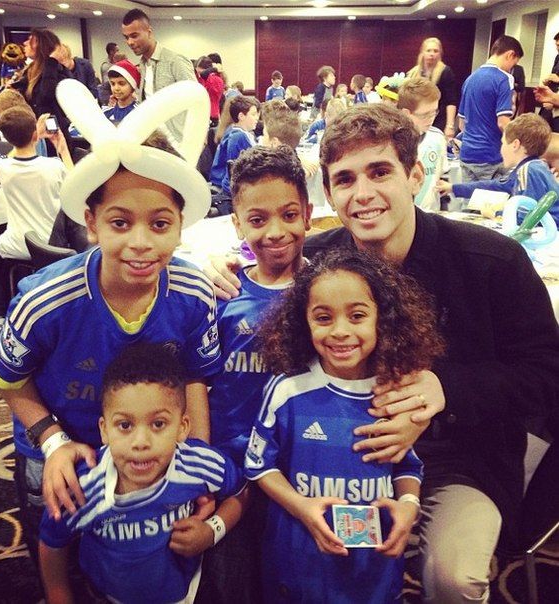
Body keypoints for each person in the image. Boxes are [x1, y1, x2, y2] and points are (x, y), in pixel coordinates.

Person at [205, 103, 559, 602]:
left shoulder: (491, 262)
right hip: (337, 452)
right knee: (307, 561)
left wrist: (445, 390)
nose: (363, 193)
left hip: (457, 459)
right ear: (329, 194)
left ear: (415, 175)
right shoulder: (319, 263)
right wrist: (224, 273)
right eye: (345, 179)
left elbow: (547, 376)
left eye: (379, 172)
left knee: (454, 578)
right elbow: (262, 268)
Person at [0, 84, 220, 567]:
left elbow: (195, 375)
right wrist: (52, 440)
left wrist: (197, 455)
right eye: (120, 223)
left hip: (145, 447)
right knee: (57, 551)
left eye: (160, 224)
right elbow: (8, 377)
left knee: (140, 559)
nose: (141, 243)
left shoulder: (194, 293)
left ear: (182, 224)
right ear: (92, 223)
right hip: (59, 444)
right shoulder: (45, 300)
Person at [246, 246, 444, 602]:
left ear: (382, 319)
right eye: (323, 318)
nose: (340, 331)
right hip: (300, 558)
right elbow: (259, 465)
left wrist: (408, 505)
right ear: (303, 322)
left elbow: (406, 465)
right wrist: (301, 507)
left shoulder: (393, 393)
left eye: (357, 316)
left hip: (373, 564)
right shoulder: (288, 390)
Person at [38, 342, 245, 604]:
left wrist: (212, 531)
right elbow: (52, 543)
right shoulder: (83, 488)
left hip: (185, 590)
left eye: (158, 424)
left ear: (183, 427)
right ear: (104, 430)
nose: (141, 442)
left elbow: (242, 492)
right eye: (125, 425)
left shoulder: (200, 464)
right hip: (105, 594)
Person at [196, 145, 313, 604]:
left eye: (289, 214)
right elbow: (195, 381)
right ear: (237, 224)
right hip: (230, 468)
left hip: (300, 468)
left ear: (307, 214)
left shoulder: (326, 294)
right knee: (229, 584)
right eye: (258, 219)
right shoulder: (221, 294)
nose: (276, 231)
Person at [0, 106, 67, 326]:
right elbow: (78, 188)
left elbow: (11, 155)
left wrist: (31, 136)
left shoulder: (3, 167)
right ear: (35, 134)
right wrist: (62, 149)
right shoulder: (54, 166)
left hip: (17, 244)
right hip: (53, 245)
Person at [437, 112, 559, 224]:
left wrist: (495, 213)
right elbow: (493, 185)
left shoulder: (528, 170)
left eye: (503, 143)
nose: (501, 149)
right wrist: (453, 188)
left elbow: (525, 218)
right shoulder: (532, 168)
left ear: (515, 145)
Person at [121, 8, 196, 142]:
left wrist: (196, 141)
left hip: (179, 142)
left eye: (134, 36)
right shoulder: (143, 65)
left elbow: (196, 101)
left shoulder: (175, 61)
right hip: (155, 142)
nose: (130, 42)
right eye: (126, 37)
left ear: (149, 33)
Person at [458, 35, 523, 183]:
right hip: (490, 155)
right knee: (492, 198)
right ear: (510, 55)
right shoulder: (504, 79)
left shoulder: (470, 79)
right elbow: (503, 123)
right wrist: (519, 144)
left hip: (467, 154)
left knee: (468, 196)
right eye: (513, 64)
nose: (511, 69)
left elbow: (462, 123)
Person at [12, 28, 73, 151]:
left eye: (31, 41)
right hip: (33, 133)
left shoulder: (58, 71)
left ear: (42, 45)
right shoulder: (30, 70)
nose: (25, 43)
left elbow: (45, 97)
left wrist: (51, 62)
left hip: (54, 137)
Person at [398, 78, 448, 211]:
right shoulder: (393, 142)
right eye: (425, 115)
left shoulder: (437, 138)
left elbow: (441, 175)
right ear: (406, 113)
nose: (431, 119)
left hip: (431, 212)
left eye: (434, 112)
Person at [209, 95, 260, 215]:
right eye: (253, 114)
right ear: (241, 116)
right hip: (228, 186)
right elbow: (236, 168)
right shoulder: (238, 137)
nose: (257, 118)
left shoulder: (237, 131)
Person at [407, 37, 458, 139]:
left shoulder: (445, 72)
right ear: (422, 52)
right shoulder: (413, 73)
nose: (432, 54)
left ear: (440, 54)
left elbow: (451, 102)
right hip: (417, 120)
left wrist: (450, 126)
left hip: (438, 121)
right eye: (429, 50)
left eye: (435, 51)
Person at [195, 56, 225, 126]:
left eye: (200, 70)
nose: (199, 75)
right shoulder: (203, 78)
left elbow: (203, 74)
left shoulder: (215, 79)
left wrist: (214, 69)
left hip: (211, 116)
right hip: (204, 114)